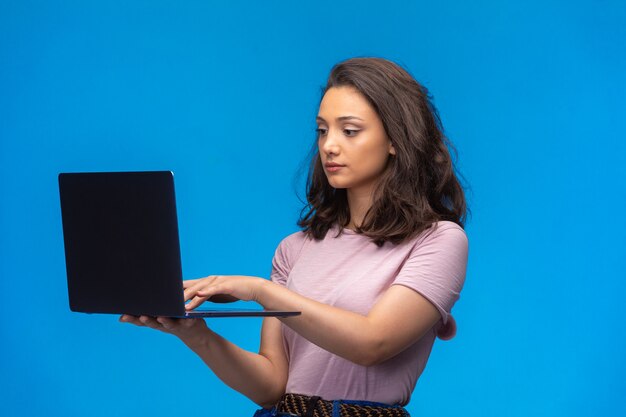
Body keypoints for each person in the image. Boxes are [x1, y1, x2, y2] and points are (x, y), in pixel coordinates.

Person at [120, 57, 469, 417]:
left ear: (395, 139)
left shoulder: (439, 241)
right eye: (322, 130)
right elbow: (271, 387)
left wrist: (261, 291)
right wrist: (195, 334)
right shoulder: (294, 249)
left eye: (349, 131)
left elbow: (373, 342)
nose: (329, 146)